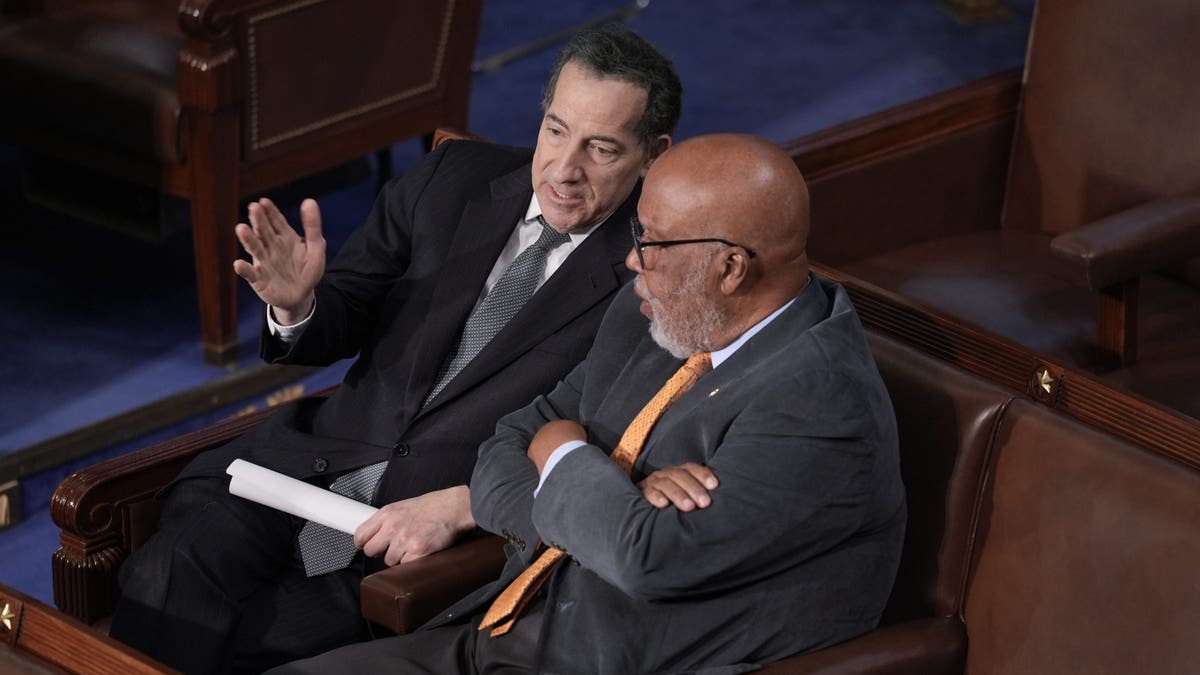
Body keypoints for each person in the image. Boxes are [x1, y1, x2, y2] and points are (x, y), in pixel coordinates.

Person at [108, 25, 681, 674]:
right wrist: (298, 304)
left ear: (653, 155)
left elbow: (605, 445)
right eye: (555, 130)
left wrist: (467, 506)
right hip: (294, 473)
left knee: (265, 645)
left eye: (600, 148)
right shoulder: (451, 179)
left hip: (419, 537)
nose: (564, 170)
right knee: (166, 578)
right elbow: (346, 311)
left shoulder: (654, 275)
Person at [271, 133, 907, 674]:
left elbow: (646, 560)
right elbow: (506, 445)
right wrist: (615, 490)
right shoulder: (660, 316)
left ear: (731, 269)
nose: (632, 259)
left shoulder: (821, 404)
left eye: (652, 243)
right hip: (500, 637)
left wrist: (565, 453)